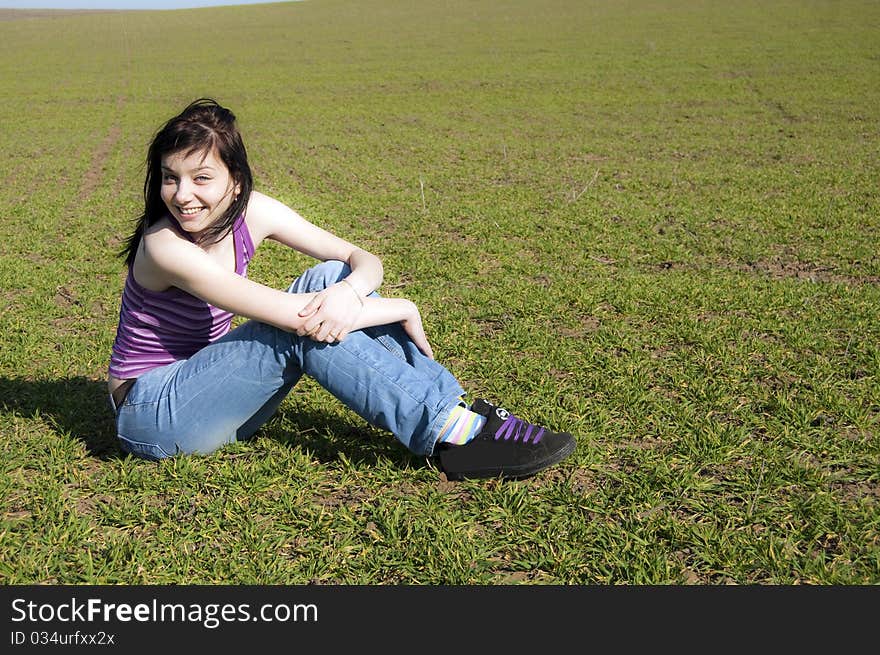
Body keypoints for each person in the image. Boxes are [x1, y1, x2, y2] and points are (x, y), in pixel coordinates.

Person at [107, 97, 576, 480]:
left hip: (210, 391)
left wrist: (352, 291)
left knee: (329, 277)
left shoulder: (254, 211)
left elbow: (361, 259)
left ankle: (459, 414)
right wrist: (400, 306)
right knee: (295, 327)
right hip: (154, 414)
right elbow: (299, 319)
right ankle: (454, 434)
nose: (182, 195)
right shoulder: (164, 247)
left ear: (236, 182)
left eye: (201, 178)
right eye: (171, 178)